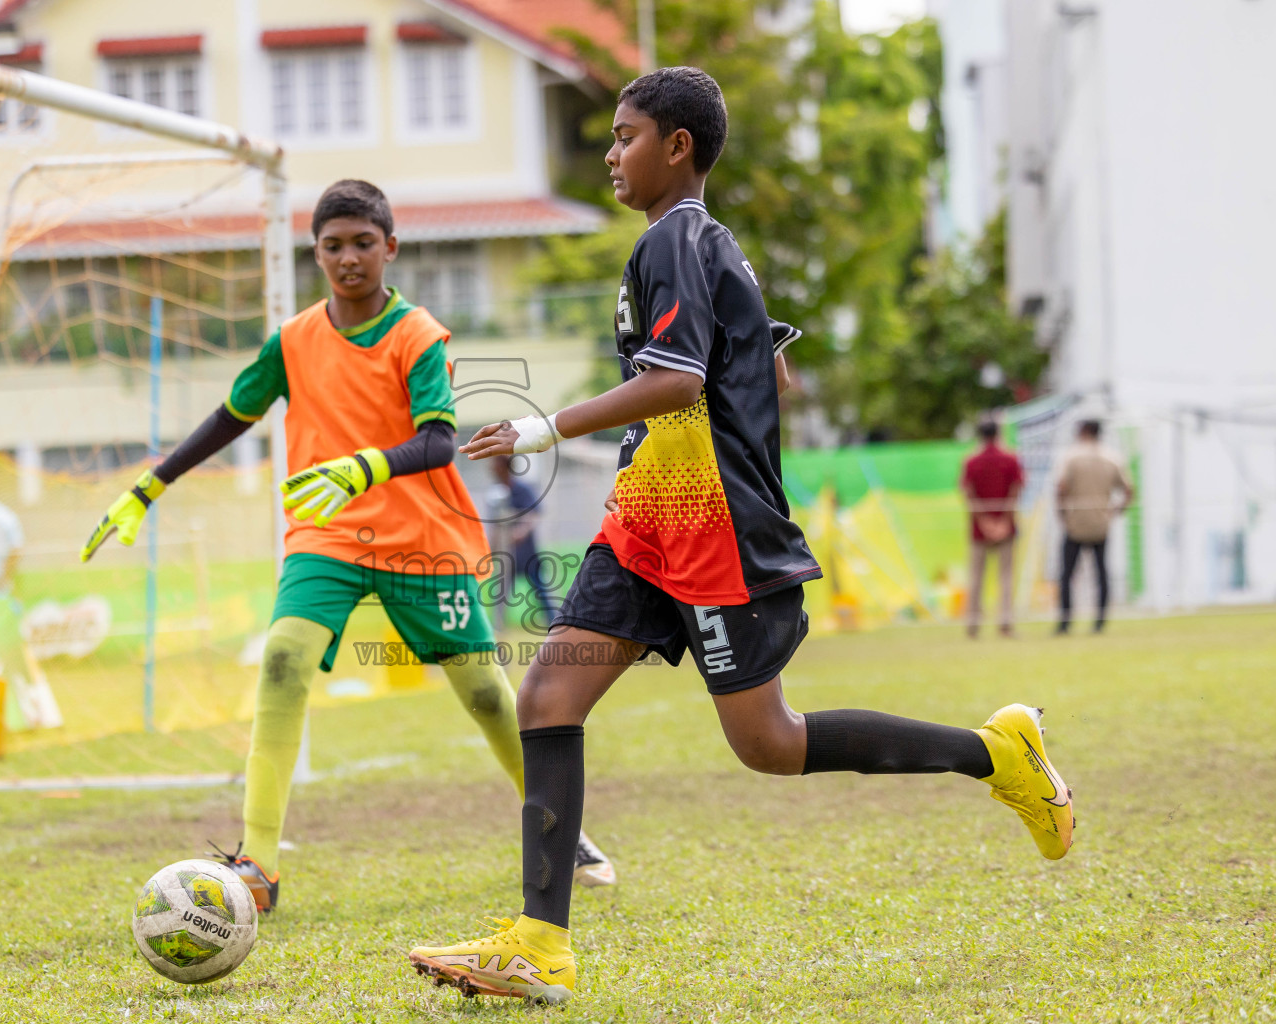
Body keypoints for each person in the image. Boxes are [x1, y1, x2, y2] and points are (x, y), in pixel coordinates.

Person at [405, 67, 1075, 1005]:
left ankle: (996, 753)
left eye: (626, 134)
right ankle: (539, 945)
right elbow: (737, 363)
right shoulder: (692, 243)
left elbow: (678, 379)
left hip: (712, 520)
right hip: (651, 509)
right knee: (549, 696)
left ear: (677, 147)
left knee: (767, 743)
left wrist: (540, 426)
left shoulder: (678, 235)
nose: (610, 152)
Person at [80, 180, 615, 912]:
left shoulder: (417, 334)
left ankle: (560, 826)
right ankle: (257, 867)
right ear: (316, 254)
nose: (349, 257)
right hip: (325, 534)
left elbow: (437, 441)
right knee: (282, 661)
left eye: (363, 242)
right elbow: (230, 415)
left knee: (489, 695)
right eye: (333, 245)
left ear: (389, 247)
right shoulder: (293, 339)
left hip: (422, 533)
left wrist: (362, 465)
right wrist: (150, 485)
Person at [1055, 419, 1134, 634]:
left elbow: (1061, 488)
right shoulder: (1113, 457)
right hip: (1101, 523)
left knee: (1067, 574)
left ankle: (1065, 622)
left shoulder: (1071, 457)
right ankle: (1099, 622)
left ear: (1083, 431)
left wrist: (1062, 514)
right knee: (1102, 573)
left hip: (1075, 523)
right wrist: (1115, 511)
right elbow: (1129, 490)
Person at [960, 421, 1025, 637]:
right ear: (998, 433)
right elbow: (1016, 490)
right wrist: (1004, 520)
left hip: (979, 529)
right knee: (1005, 577)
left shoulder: (971, 461)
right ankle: (1005, 624)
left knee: (976, 577)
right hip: (1005, 526)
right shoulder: (1011, 458)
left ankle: (973, 625)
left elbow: (968, 493)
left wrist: (983, 522)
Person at [489, 455, 556, 631]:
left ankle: (553, 623)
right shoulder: (496, 494)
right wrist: (491, 549)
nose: (491, 468)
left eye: (494, 463)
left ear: (503, 466)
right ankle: (498, 626)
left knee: (541, 589)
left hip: (526, 554)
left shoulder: (522, 489)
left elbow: (533, 514)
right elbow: (495, 526)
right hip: (506, 556)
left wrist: (521, 531)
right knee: (501, 592)